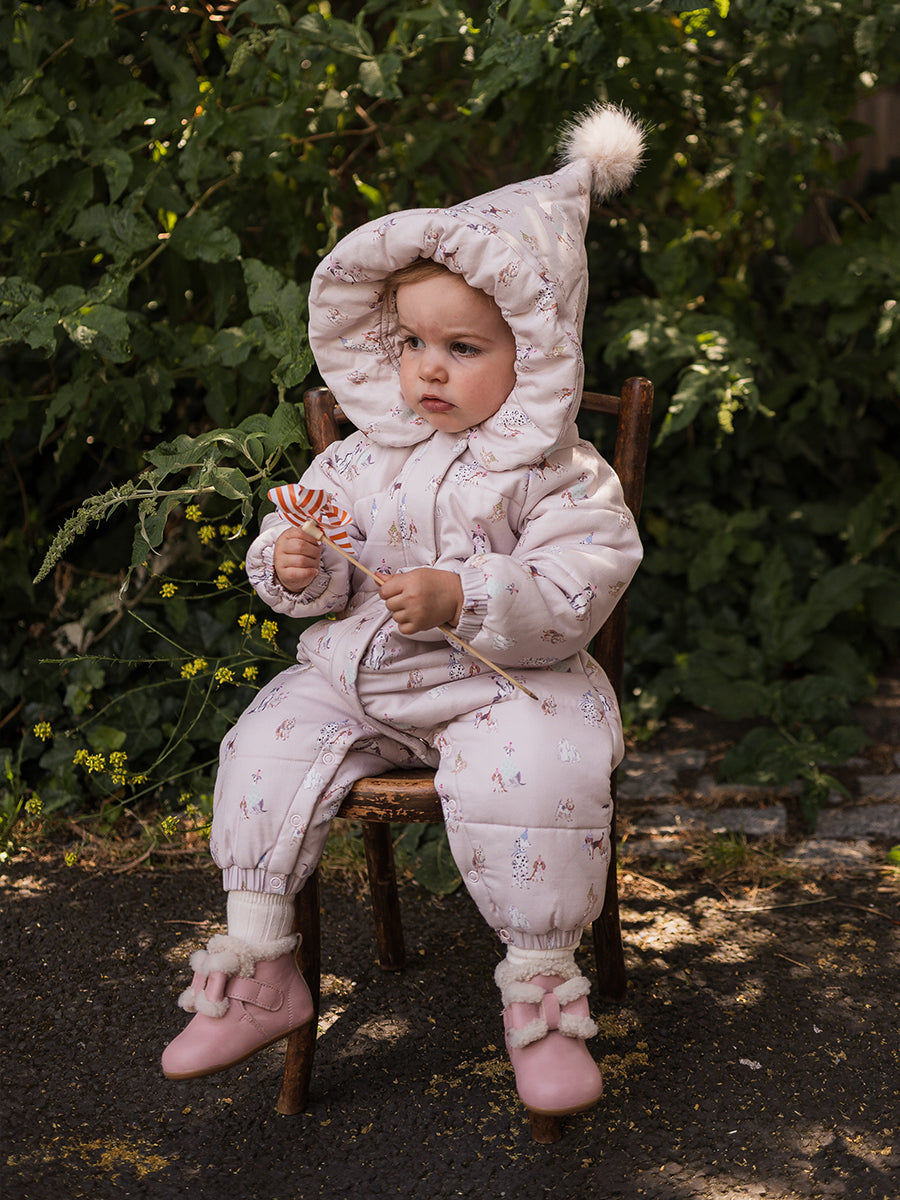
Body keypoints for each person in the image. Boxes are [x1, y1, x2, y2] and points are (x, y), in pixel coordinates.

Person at [161, 102, 646, 1119]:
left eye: (463, 346)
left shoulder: (562, 475)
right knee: (266, 741)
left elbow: (580, 582)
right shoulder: (357, 456)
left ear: (536, 354)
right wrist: (297, 562)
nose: (429, 367)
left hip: (507, 685)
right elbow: (316, 549)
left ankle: (543, 996)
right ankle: (261, 965)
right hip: (364, 679)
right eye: (413, 341)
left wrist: (468, 594)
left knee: (543, 772)